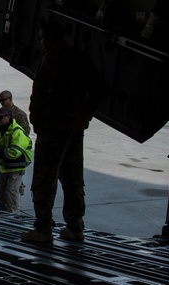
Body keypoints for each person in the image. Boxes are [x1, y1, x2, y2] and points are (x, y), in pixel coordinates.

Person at [21, 21, 107, 243]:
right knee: (73, 176)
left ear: (49, 37)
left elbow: (39, 94)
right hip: (74, 127)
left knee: (44, 178)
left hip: (53, 128)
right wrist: (85, 112)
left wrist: (37, 122)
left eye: (42, 38)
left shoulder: (52, 58)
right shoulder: (79, 56)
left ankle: (43, 229)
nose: (41, 43)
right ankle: (75, 225)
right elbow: (99, 86)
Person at [0, 107, 33, 213]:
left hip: (16, 167)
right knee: (1, 192)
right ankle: (4, 214)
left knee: (11, 193)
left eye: (0, 117)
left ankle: (13, 217)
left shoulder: (17, 132)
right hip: (5, 166)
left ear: (8, 117)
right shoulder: (1, 129)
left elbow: (14, 152)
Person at [0, 90, 30, 199]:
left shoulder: (19, 115)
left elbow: (25, 133)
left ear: (10, 99)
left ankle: (17, 189)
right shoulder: (3, 113)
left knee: (14, 176)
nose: (1, 102)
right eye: (0, 100)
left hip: (16, 151)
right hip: (5, 152)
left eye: (3, 100)